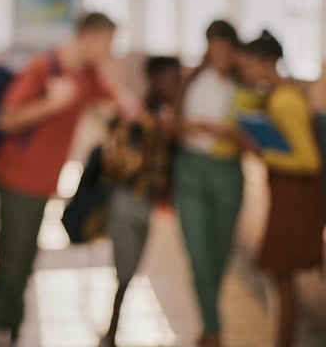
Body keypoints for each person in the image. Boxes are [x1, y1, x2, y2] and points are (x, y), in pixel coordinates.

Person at [0, 12, 134, 346]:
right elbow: (6, 120)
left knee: (23, 257)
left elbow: (114, 98)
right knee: (13, 258)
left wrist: (130, 107)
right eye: (108, 42)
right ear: (89, 37)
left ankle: (10, 324)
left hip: (43, 181)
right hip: (18, 177)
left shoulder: (87, 73)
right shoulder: (42, 68)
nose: (111, 51)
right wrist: (50, 104)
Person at [172, 20, 258, 347]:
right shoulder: (193, 78)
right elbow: (174, 124)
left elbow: (258, 140)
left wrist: (230, 134)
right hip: (191, 169)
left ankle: (208, 325)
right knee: (197, 254)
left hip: (228, 173)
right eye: (214, 49)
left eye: (226, 50)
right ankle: (215, 331)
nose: (220, 56)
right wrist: (187, 125)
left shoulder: (246, 86)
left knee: (219, 256)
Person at [238, 31, 324, 347]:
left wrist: (260, 150)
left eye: (248, 64)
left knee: (281, 274)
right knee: (280, 276)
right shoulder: (282, 94)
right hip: (287, 195)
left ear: (267, 63)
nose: (244, 71)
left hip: (296, 199)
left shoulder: (285, 99)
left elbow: (308, 161)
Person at [99, 56, 181, 347]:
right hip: (127, 201)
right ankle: (110, 333)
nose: (175, 86)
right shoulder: (140, 118)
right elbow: (125, 164)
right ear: (155, 81)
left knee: (130, 271)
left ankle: (112, 331)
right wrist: (158, 133)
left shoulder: (166, 114)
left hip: (144, 204)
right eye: (170, 80)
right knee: (124, 272)